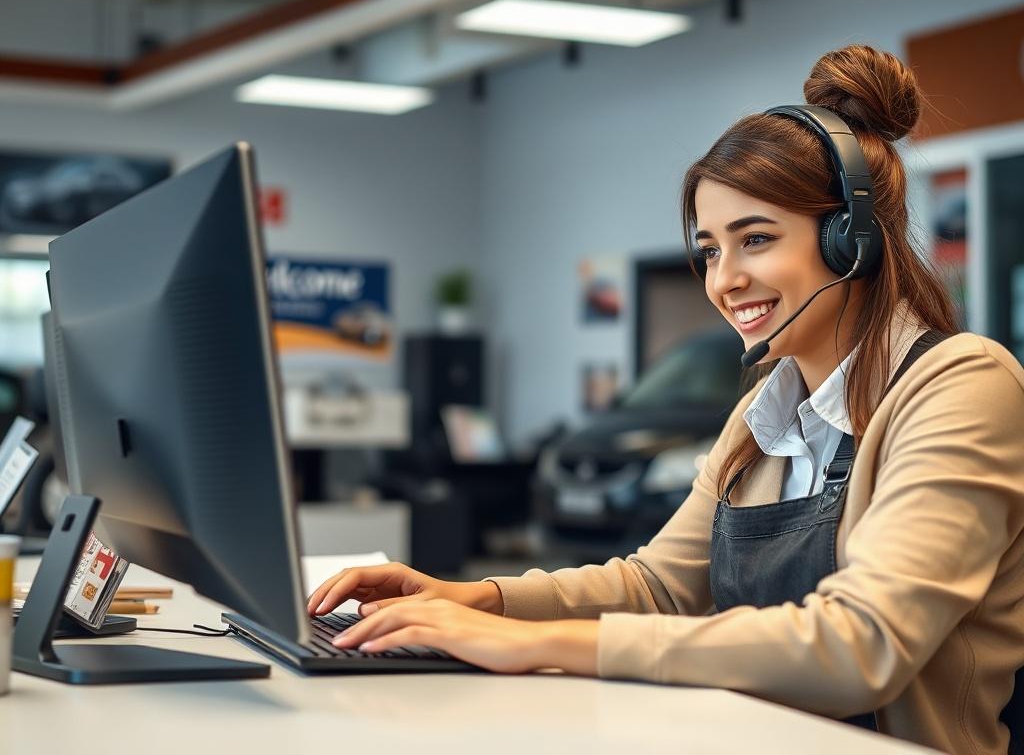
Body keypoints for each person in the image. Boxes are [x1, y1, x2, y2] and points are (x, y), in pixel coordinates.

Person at [306, 45, 1024, 754]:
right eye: (710, 249)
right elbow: (655, 586)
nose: (725, 280)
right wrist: (478, 600)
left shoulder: (960, 387)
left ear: (850, 244)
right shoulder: (765, 415)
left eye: (757, 239)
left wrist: (532, 643)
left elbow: (861, 642)